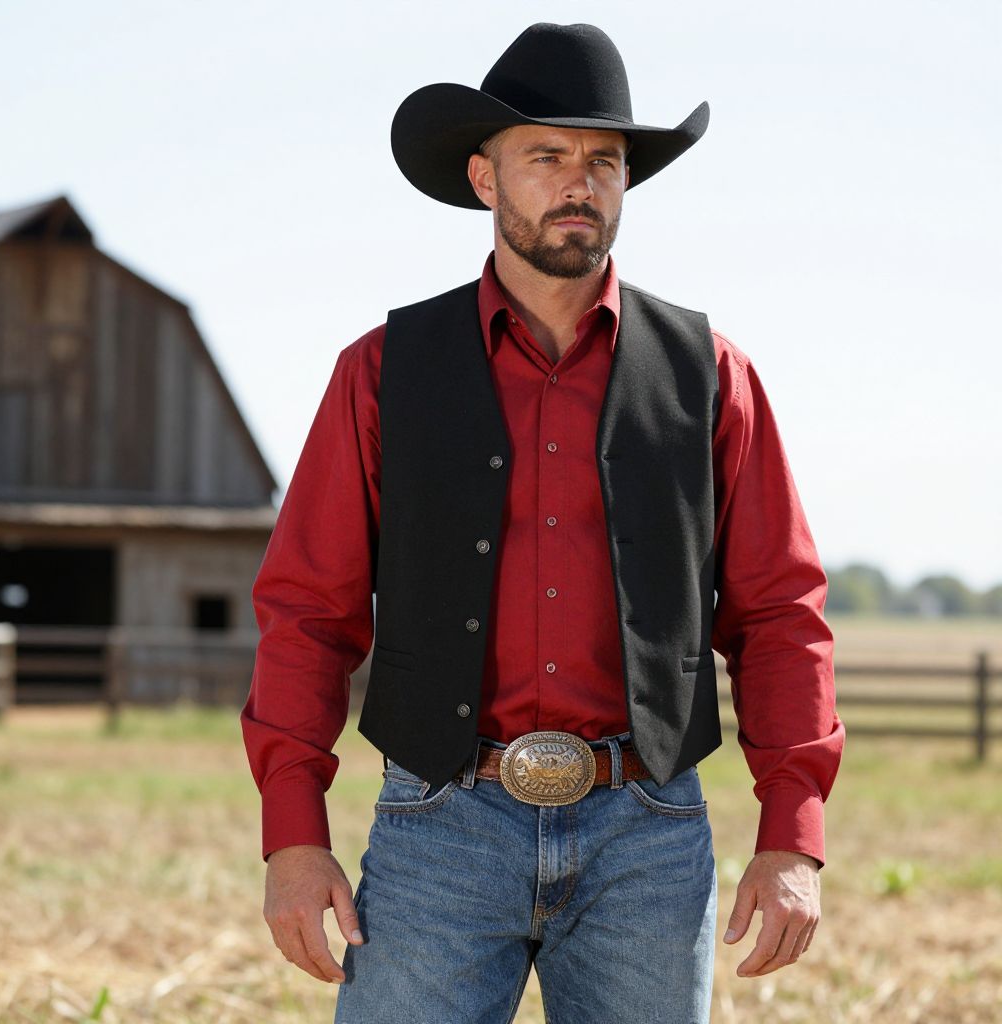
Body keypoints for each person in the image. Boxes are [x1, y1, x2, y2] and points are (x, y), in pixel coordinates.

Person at [241, 22, 846, 1024]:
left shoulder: (711, 375)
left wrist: (792, 831)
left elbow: (780, 611)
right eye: (547, 156)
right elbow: (308, 610)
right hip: (439, 826)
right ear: (484, 178)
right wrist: (294, 835)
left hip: (648, 834)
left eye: (603, 160)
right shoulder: (382, 371)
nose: (580, 183)